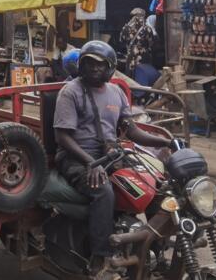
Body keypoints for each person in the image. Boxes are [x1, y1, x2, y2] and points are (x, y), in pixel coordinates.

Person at [53, 40, 171, 278]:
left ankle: (155, 249)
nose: (94, 69)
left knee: (155, 184)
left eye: (100, 65)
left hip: (109, 155)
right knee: (103, 191)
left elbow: (132, 131)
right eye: (89, 64)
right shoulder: (70, 91)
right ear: (81, 66)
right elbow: (62, 136)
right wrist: (90, 163)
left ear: (110, 67)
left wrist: (167, 142)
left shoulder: (116, 91)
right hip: (76, 157)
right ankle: (101, 256)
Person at [122, 10, 157, 76]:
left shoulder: (126, 28)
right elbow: (151, 42)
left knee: (131, 74)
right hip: (144, 56)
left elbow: (122, 40)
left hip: (131, 55)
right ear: (143, 16)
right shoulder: (147, 28)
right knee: (143, 75)